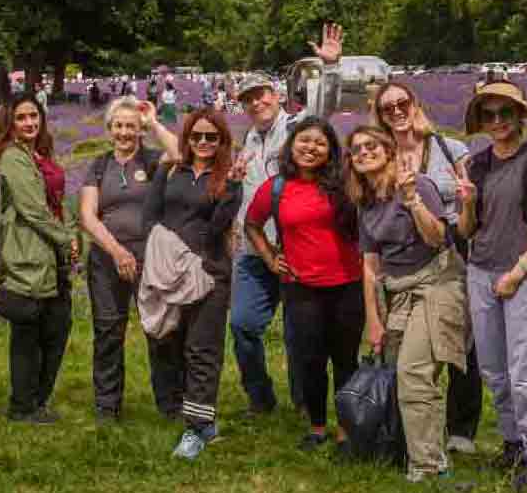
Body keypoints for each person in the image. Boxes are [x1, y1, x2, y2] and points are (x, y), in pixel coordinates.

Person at [229, 23, 344, 419]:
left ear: (275, 95)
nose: (255, 102)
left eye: (260, 94)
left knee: (299, 338)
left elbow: (322, 111)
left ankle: (304, 405)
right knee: (243, 325)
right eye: (247, 99)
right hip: (256, 250)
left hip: (298, 249)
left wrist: (329, 67)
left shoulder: (297, 127)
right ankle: (260, 398)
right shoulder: (248, 140)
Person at [459, 79, 527, 493]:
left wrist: (518, 272)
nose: (499, 120)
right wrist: (467, 202)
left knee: (525, 372)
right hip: (481, 272)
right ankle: (513, 442)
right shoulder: (476, 165)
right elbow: (467, 230)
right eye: (490, 114)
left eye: (506, 112)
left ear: (520, 115)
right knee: (493, 370)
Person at [372, 81, 482, 454]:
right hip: (406, 252)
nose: (397, 111)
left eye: (402, 103)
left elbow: (470, 200)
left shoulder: (449, 149)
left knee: (463, 340)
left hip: (453, 241)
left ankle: (461, 426)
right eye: (388, 108)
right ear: (380, 117)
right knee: (417, 343)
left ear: (415, 103)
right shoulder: (382, 154)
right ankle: (414, 422)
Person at [350, 124, 465, 481]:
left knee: (414, 372)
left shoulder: (418, 186)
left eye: (372, 146)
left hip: (438, 281)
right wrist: (373, 319)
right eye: (356, 150)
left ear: (388, 151)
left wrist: (413, 199)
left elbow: (437, 238)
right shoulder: (366, 204)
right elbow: (370, 267)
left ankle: (426, 469)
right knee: (411, 376)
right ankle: (429, 456)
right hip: (399, 291)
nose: (364, 152)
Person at [243, 116, 364, 451]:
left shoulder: (343, 184)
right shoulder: (276, 187)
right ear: (291, 144)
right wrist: (270, 258)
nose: (311, 148)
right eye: (304, 141)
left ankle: (346, 427)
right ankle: (316, 425)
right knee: (309, 359)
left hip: (346, 284)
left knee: (345, 360)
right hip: (300, 287)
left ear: (330, 152)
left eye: (320, 144)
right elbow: (252, 224)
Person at [140, 109, 242, 458]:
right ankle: (197, 415)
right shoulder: (170, 171)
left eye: (211, 137)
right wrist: (160, 257)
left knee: (202, 350)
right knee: (169, 342)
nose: (202, 143)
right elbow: (150, 217)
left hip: (209, 272)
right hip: (169, 270)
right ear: (186, 138)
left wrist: (234, 188)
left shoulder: (227, 177)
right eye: (196, 136)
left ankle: (196, 430)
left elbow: (217, 227)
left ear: (221, 141)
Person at [78, 96, 177, 420]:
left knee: (159, 330)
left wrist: (154, 123)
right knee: (108, 331)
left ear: (139, 130)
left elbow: (180, 154)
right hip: (107, 259)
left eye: (131, 126)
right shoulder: (99, 165)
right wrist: (117, 251)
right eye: (118, 126)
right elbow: (88, 216)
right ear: (109, 130)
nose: (124, 132)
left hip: (149, 257)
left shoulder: (150, 160)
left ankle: (169, 404)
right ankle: (108, 405)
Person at [0, 91, 77, 425]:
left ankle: (37, 400)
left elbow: (56, 200)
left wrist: (70, 232)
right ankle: (23, 405)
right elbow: (33, 210)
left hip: (52, 253)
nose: (29, 123)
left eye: (33, 116)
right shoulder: (12, 156)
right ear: (9, 122)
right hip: (29, 253)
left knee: (56, 328)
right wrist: (67, 239)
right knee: (28, 335)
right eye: (21, 117)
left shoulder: (38, 153)